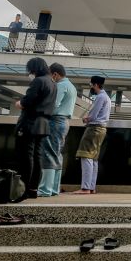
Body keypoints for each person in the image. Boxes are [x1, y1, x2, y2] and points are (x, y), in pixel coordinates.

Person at [14, 57, 57, 199]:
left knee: (26, 156)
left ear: (34, 69)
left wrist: (20, 103)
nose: (30, 72)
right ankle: (33, 189)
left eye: (31, 69)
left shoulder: (38, 81)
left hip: (31, 122)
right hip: (44, 124)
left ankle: (22, 189)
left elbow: (29, 100)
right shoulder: (52, 82)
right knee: (37, 157)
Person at [38, 63, 76, 197]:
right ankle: (54, 188)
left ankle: (44, 189)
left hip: (55, 121)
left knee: (49, 153)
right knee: (57, 154)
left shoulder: (60, 86)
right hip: (65, 122)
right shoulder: (71, 86)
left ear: (55, 74)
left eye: (50, 75)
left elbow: (54, 105)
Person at [73, 75, 110, 194]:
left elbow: (93, 116)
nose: (91, 87)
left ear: (95, 85)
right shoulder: (107, 97)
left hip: (94, 128)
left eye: (91, 84)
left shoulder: (100, 97)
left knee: (86, 156)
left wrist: (85, 119)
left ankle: (85, 187)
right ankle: (91, 187)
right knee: (94, 158)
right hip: (102, 129)